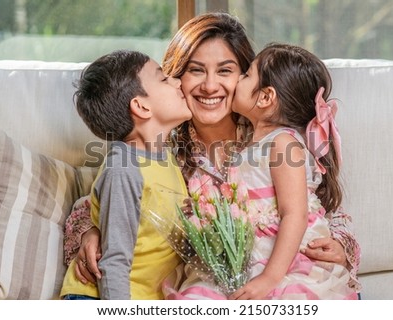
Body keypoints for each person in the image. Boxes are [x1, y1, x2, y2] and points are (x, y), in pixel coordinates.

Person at [64, 12, 361, 295]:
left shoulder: (272, 138)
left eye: (225, 70)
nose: (209, 86)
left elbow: (316, 210)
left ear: (248, 78)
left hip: (285, 276)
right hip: (216, 286)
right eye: (195, 70)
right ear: (177, 77)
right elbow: (97, 200)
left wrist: (341, 248)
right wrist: (92, 231)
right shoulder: (161, 147)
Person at [227, 42, 358, 299]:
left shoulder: (283, 143)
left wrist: (270, 278)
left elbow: (294, 213)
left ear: (265, 97)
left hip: (290, 260)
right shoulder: (250, 144)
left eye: (245, 75)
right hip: (261, 253)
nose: (237, 81)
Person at [60, 49, 192, 299]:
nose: (177, 81)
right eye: (164, 79)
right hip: (100, 298)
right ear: (141, 106)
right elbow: (115, 261)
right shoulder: (123, 168)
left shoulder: (166, 157)